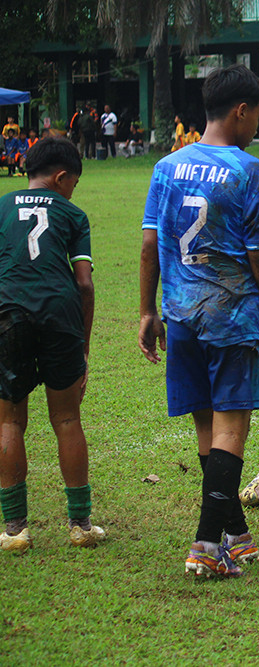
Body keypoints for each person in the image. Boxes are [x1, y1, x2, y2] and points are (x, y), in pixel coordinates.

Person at [138, 64, 259, 579]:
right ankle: (205, 547)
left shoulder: (166, 167)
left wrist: (146, 310)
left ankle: (236, 537)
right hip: (230, 315)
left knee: (209, 429)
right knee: (232, 431)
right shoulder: (249, 170)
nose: (258, 125)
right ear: (241, 111)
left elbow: (148, 246)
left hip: (178, 315)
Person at [0, 137, 104, 554]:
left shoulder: (3, 206)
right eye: (73, 183)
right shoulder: (73, 214)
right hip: (60, 316)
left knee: (9, 422)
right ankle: (80, 525)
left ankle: (14, 530)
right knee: (66, 419)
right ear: (62, 177)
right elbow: (84, 283)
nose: (73, 191)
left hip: (10, 314)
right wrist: (83, 346)